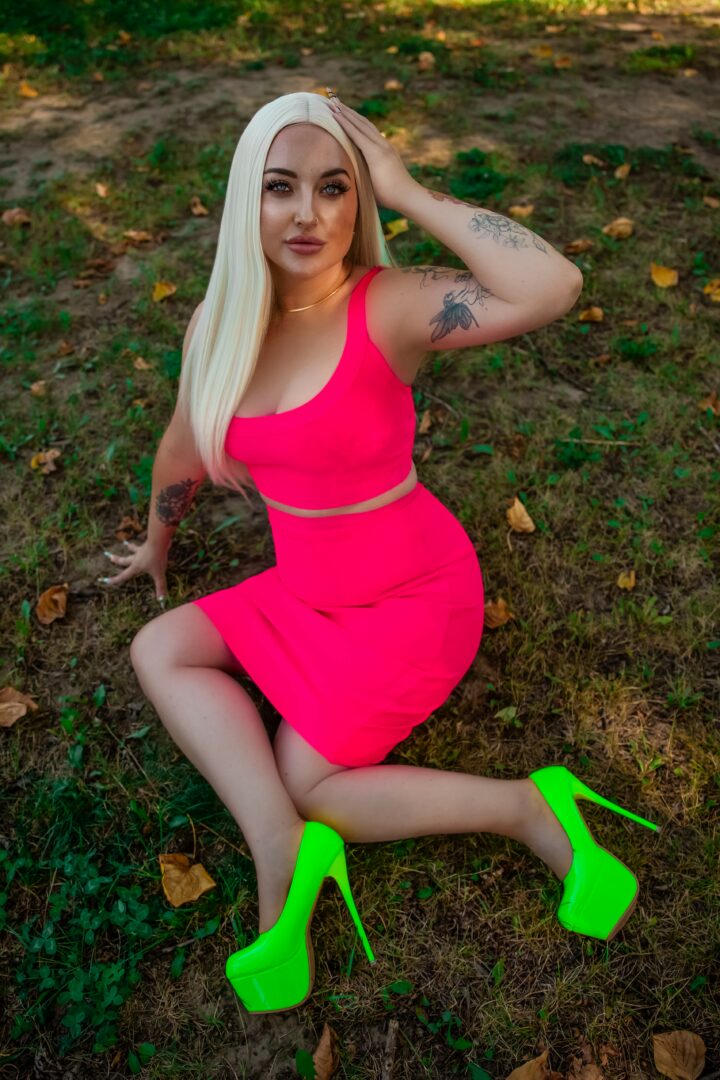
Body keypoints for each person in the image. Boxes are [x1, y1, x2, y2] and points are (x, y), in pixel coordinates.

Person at [98, 91, 660, 1013]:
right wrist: (157, 542)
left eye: (335, 188)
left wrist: (407, 188)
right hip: (304, 591)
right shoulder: (219, 324)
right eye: (281, 187)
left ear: (358, 202)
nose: (308, 214)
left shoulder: (387, 308)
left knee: (313, 781)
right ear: (248, 199)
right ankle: (280, 841)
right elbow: (181, 444)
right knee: (159, 646)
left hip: (413, 599)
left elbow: (552, 285)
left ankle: (528, 807)